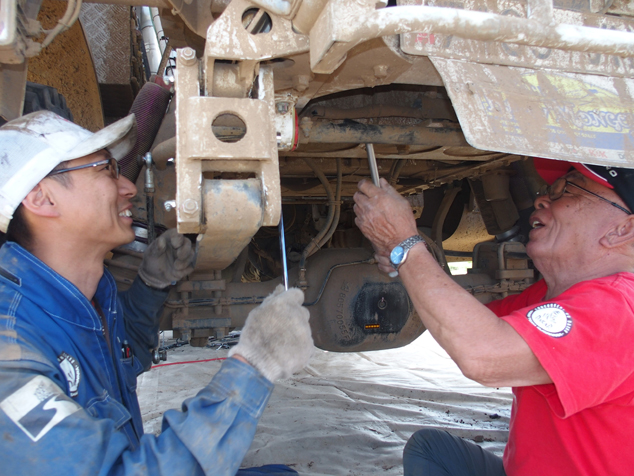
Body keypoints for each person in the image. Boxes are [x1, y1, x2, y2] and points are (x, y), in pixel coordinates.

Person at [0, 111, 314, 475]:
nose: (128, 188)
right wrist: (257, 364)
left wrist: (150, 286)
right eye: (104, 169)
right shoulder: (11, 357)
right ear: (42, 199)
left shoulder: (84, 295)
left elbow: (121, 358)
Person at [353, 157, 634, 476]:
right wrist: (409, 265)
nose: (542, 199)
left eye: (568, 191)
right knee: (431, 449)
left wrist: (405, 246)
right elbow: (463, 324)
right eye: (549, 190)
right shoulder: (554, 297)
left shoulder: (619, 306)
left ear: (624, 228)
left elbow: (482, 355)